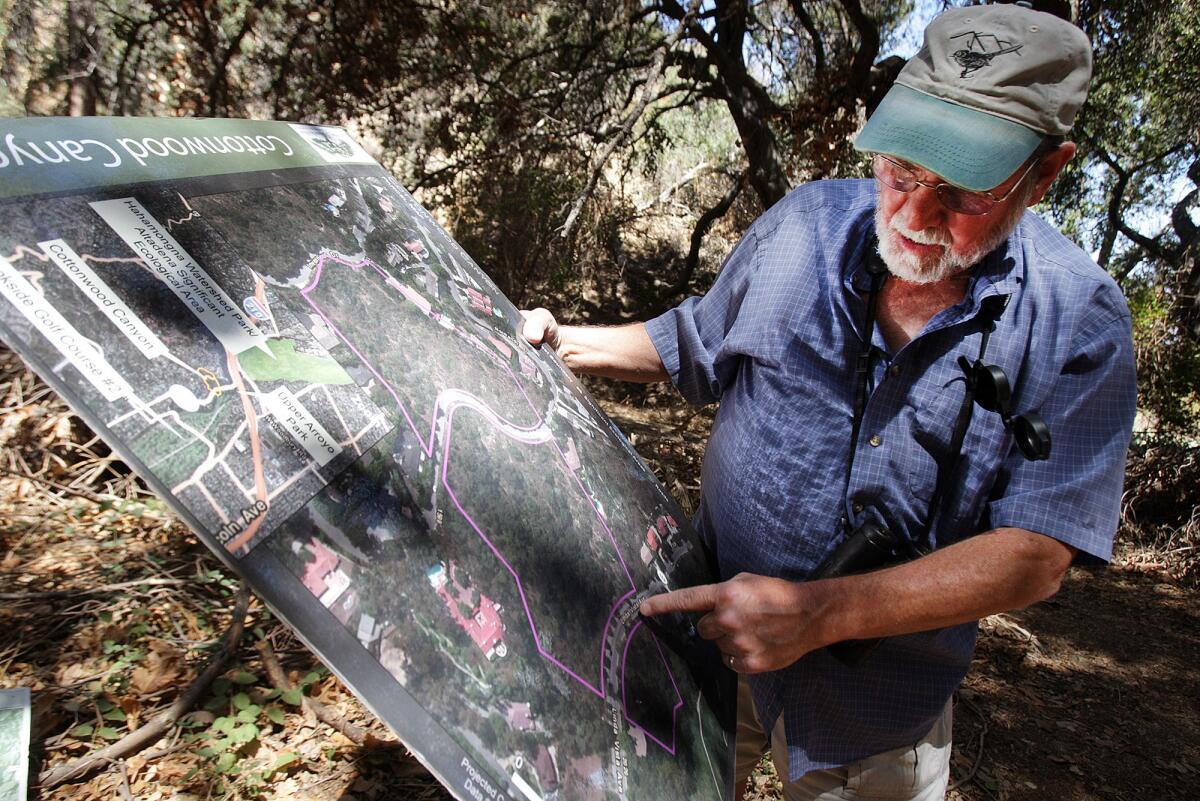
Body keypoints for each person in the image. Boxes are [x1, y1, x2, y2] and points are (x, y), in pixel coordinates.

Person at [521, 3, 1136, 799]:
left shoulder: (1078, 321)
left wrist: (820, 612)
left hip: (879, 708)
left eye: (962, 193)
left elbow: (1037, 552)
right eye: (903, 169)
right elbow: (693, 341)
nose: (914, 217)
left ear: (1045, 172)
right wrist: (563, 343)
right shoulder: (804, 224)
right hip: (706, 643)